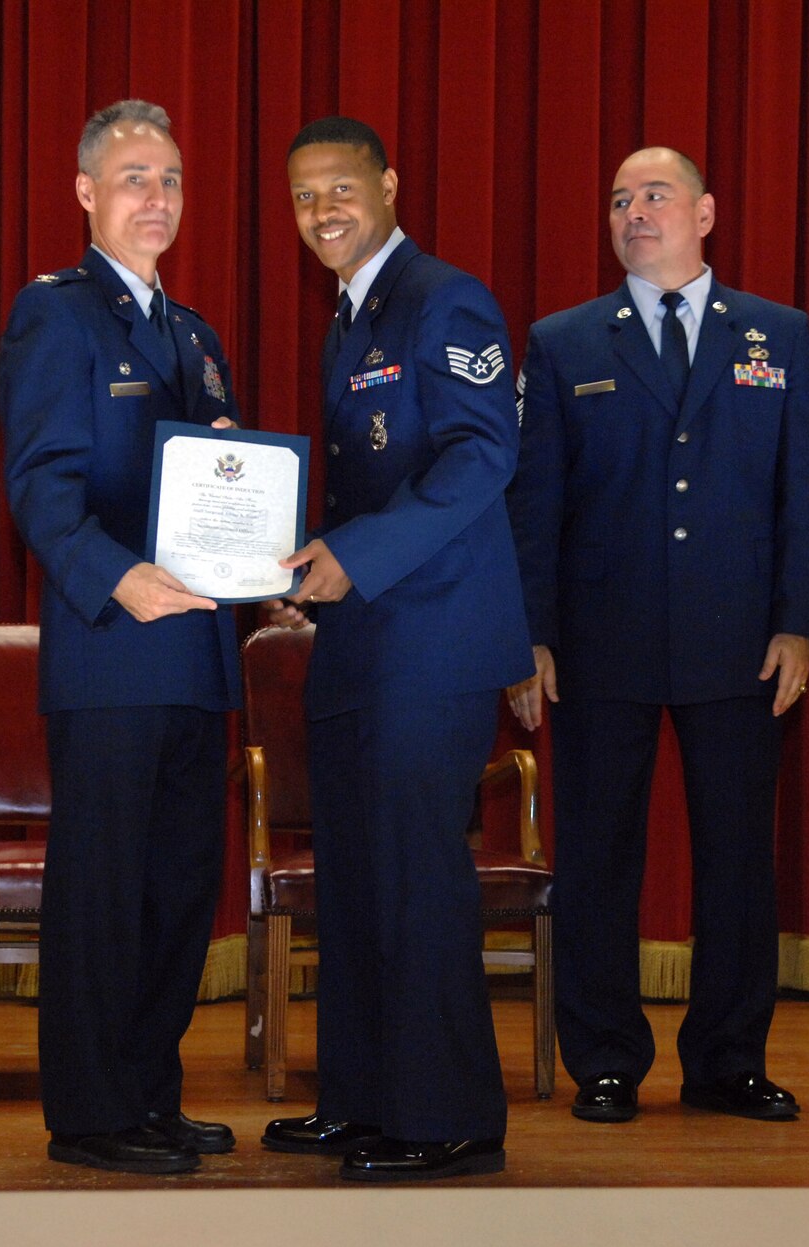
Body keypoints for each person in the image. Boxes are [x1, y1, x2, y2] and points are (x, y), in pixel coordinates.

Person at [506, 146, 809, 1125]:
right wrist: (530, 634)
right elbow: (535, 502)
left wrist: (799, 623)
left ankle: (728, 1060)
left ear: (705, 212)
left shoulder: (777, 333)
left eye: (654, 194)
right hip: (598, 643)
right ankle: (605, 1059)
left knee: (737, 861)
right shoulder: (563, 342)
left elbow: (805, 492)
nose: (633, 211)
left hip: (738, 641)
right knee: (597, 859)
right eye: (618, 199)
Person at [258, 116, 531, 1181]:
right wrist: (301, 569)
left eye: (340, 187)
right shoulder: (351, 318)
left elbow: (481, 454)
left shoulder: (442, 299)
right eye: (302, 196)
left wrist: (354, 556)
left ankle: (450, 1116)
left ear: (389, 184)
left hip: (433, 642)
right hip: (363, 644)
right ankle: (363, 1098)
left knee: (416, 880)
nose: (321, 210)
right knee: (358, 880)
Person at [0, 99, 242, 1174]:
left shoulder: (196, 335)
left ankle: (149, 1094)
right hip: (109, 650)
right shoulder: (57, 314)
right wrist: (118, 577)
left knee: (178, 893)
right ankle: (92, 1113)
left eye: (172, 178)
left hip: (196, 657)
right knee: (102, 895)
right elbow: (40, 490)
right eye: (136, 177)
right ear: (87, 193)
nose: (158, 197)